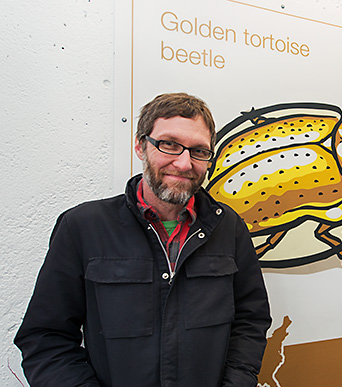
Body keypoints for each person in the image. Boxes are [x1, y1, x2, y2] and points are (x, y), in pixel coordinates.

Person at [14, 93, 272, 387]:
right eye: (169, 145)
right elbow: (46, 338)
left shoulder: (229, 226)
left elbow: (251, 320)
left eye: (199, 151)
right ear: (140, 145)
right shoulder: (83, 227)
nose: (184, 163)